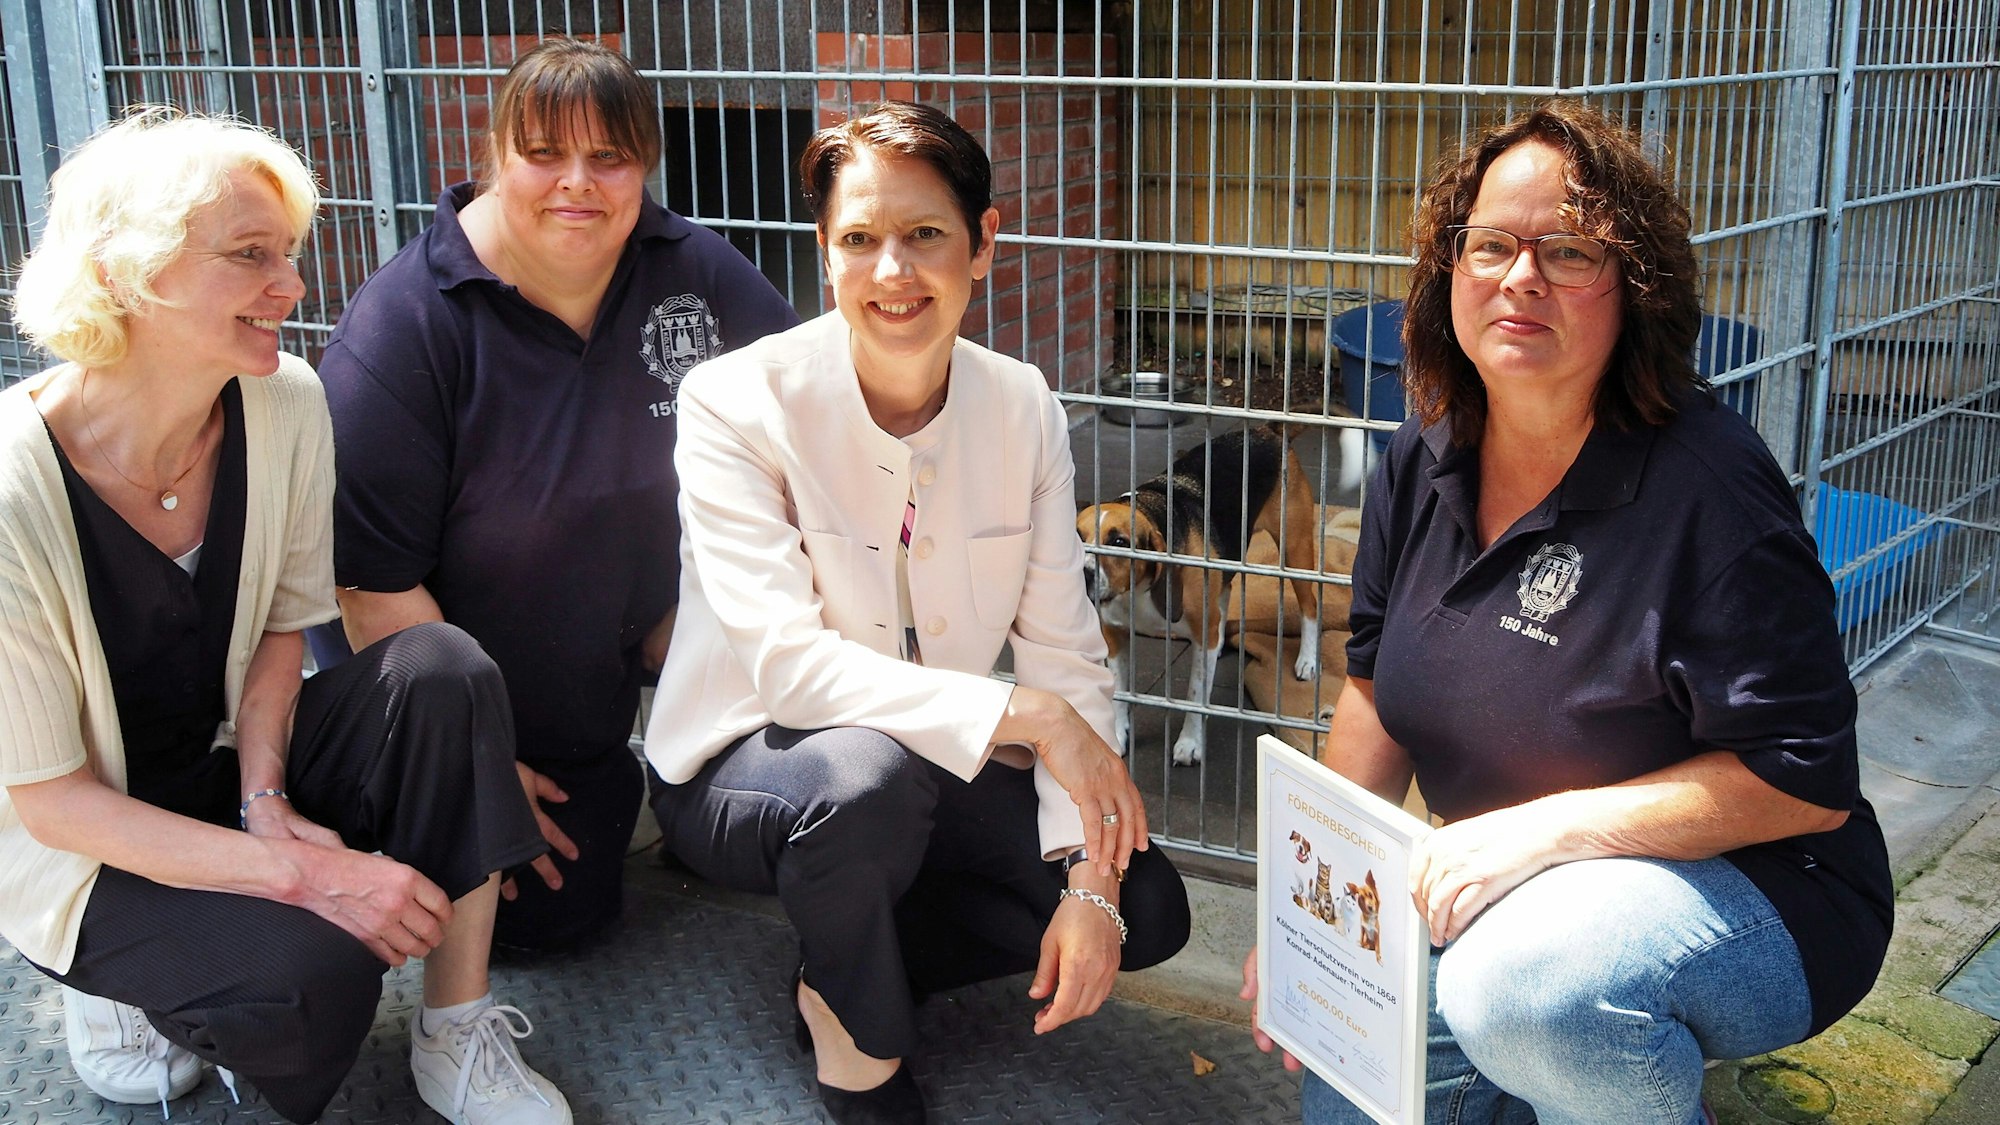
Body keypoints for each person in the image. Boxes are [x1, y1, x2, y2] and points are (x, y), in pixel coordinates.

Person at [1248, 101, 1893, 1125]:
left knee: (1526, 996)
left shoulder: (1710, 491)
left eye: (1568, 250)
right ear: (1446, 272)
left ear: (1634, 287)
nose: (1519, 277)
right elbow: (1370, 687)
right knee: (1348, 1076)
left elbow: (1800, 785)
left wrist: (1539, 835)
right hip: (1513, 892)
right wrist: (1310, 918)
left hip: (1755, 893)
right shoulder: (1421, 454)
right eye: (1491, 245)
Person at [1, 110, 569, 1125]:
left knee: (440, 666)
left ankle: (459, 1027)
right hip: (90, 844)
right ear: (128, 273)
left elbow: (282, 629)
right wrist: (305, 875)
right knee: (314, 983)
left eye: (288, 254)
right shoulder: (12, 491)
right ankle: (120, 984)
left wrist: (266, 800)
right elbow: (54, 806)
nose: (294, 288)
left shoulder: (284, 401)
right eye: (250, 256)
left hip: (225, 767)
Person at [644, 101, 1193, 1124]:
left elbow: (1065, 652)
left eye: (925, 235)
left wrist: (1089, 882)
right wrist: (1025, 717)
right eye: (860, 240)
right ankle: (858, 1046)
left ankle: (852, 958)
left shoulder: (1019, 402)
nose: (892, 271)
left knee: (1146, 908)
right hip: (755, 764)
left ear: (982, 244)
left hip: (926, 754)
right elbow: (791, 673)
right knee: (864, 784)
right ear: (825, 253)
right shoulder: (733, 402)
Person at [314, 37, 800, 952]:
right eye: (544, 154)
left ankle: (669, 781)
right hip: (453, 703)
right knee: (542, 928)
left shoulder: (686, 266)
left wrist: (719, 617)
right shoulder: (403, 326)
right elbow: (370, 589)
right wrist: (484, 770)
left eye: (609, 157)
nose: (578, 182)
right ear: (496, 156)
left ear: (645, 166)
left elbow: (812, 407)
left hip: (621, 648)